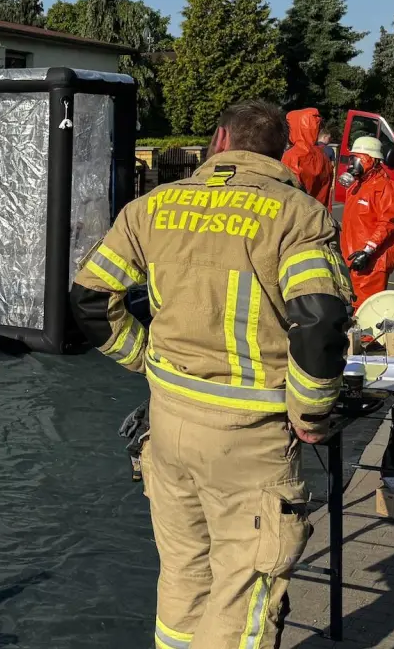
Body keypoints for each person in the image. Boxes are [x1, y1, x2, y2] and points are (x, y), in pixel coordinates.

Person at [70, 100, 353, 648]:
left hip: (169, 427)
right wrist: (312, 414)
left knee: (183, 572)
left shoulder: (151, 207)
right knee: (244, 589)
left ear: (220, 140)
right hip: (249, 438)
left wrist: (142, 357)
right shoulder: (296, 214)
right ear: (280, 151)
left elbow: (87, 299)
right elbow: (318, 322)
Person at [339, 135, 394, 308]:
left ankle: (367, 336)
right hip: (352, 256)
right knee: (351, 304)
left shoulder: (387, 189)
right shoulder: (357, 186)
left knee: (367, 307)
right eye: (352, 158)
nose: (352, 163)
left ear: (373, 161)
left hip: (373, 261)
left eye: (357, 158)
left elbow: (387, 224)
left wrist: (368, 251)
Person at [281, 107, 332, 206]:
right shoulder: (323, 155)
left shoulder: (292, 155)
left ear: (295, 128)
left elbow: (285, 189)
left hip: (297, 212)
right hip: (317, 210)